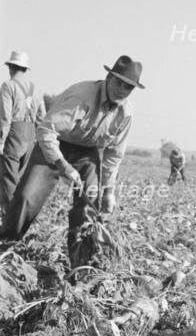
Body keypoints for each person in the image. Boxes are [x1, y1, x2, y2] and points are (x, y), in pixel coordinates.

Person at [1, 55, 145, 266]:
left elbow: (113, 155)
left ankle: (81, 263)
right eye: (118, 82)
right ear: (108, 77)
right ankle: (6, 242)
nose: (121, 90)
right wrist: (63, 165)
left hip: (88, 151)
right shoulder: (82, 97)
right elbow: (46, 130)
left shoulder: (125, 113)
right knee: (26, 196)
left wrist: (109, 192)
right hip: (55, 143)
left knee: (90, 203)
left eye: (128, 87)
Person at [0, 51, 45, 220]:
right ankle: (20, 216)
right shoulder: (36, 88)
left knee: (8, 178)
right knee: (20, 178)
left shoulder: (8, 86)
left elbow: (5, 117)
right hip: (30, 134)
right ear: (24, 69)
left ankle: (9, 219)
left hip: (14, 133)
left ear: (11, 67)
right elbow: (42, 117)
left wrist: (1, 142)